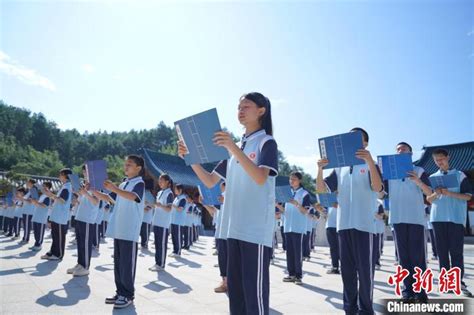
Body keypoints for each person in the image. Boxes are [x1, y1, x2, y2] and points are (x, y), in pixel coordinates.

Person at [178, 92, 278, 314]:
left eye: (246, 107)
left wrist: (233, 148)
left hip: (255, 230)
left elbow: (261, 178)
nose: (240, 111)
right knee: (237, 295)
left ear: (261, 111)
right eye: (239, 107)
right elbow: (209, 181)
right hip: (233, 229)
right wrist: (190, 158)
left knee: (255, 296)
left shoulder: (266, 142)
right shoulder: (234, 150)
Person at [316, 127, 383, 315]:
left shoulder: (371, 165)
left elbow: (378, 188)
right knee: (347, 273)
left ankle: (366, 310)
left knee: (365, 273)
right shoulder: (339, 167)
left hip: (364, 225)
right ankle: (350, 309)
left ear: (366, 143)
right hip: (343, 225)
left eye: (358, 138)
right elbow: (321, 190)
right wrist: (320, 170)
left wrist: (369, 161)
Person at [95, 155, 146, 309]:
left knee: (127, 264)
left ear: (138, 168)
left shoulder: (139, 183)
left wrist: (114, 188)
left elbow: (133, 197)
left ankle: (128, 295)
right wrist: (92, 191)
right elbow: (109, 198)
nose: (126, 166)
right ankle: (120, 292)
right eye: (125, 164)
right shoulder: (124, 183)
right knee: (118, 263)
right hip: (119, 228)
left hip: (130, 229)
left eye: (129, 164)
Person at [427, 148, 473, 297]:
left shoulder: (460, 175)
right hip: (437, 218)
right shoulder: (433, 177)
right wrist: (437, 192)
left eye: (442, 158)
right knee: (441, 252)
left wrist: (449, 193)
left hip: (455, 218)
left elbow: (467, 197)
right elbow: (429, 199)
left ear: (448, 157)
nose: (440, 162)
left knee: (456, 252)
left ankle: (458, 282)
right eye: (436, 160)